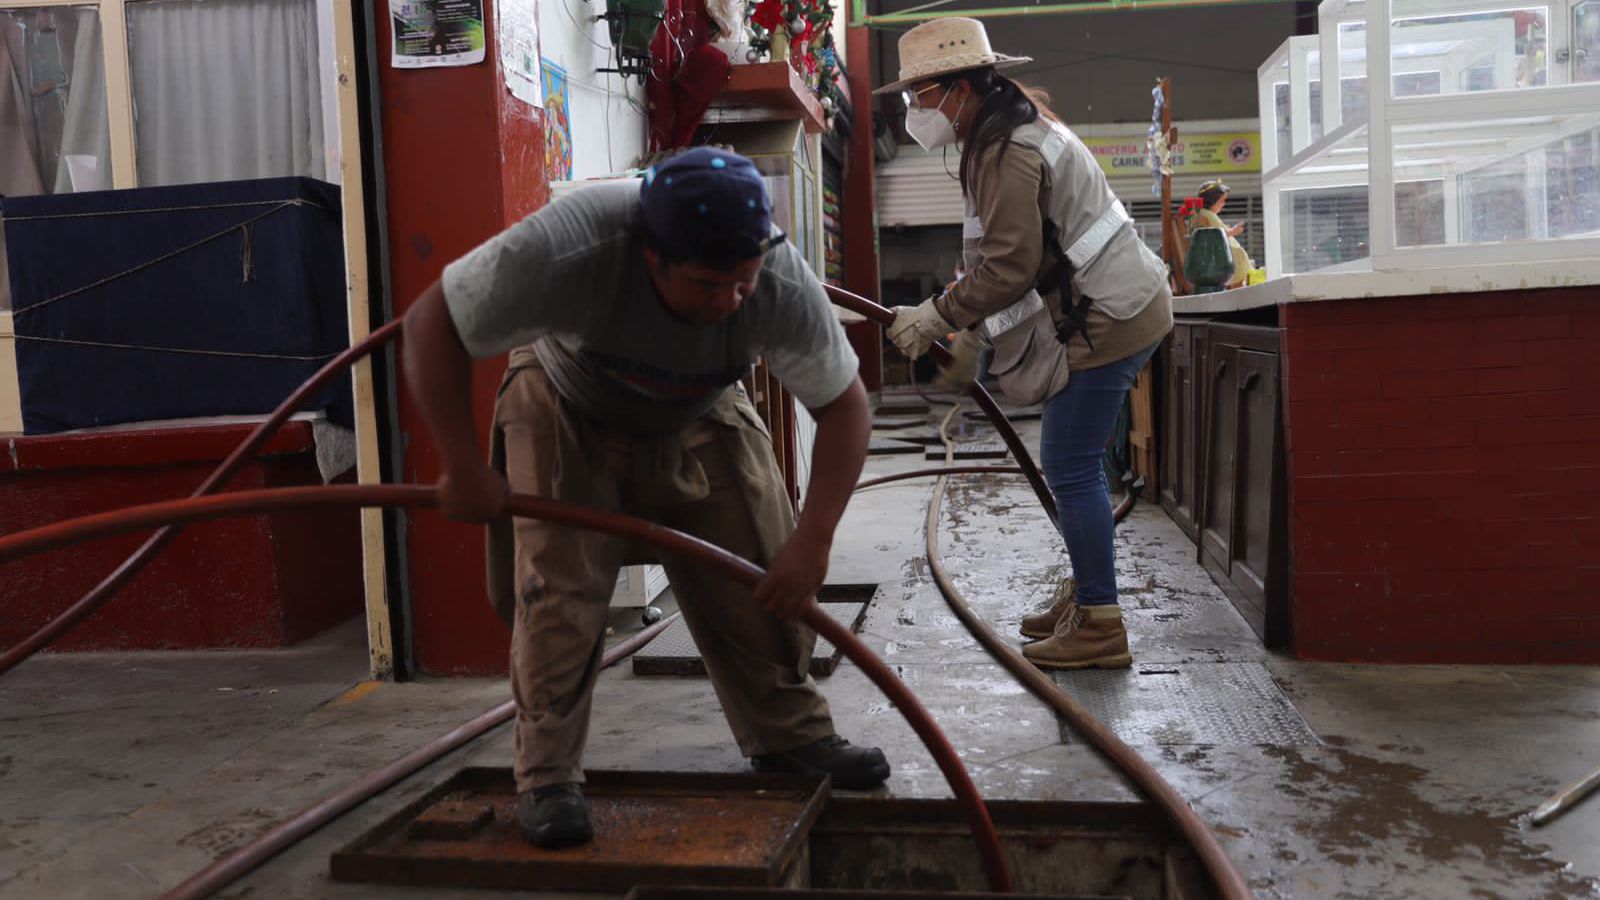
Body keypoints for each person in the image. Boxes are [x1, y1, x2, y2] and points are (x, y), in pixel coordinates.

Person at [401, 147, 890, 850]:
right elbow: (432, 324)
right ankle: (547, 776)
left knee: (761, 569)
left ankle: (790, 737)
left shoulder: (778, 275)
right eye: (707, 284)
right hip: (567, 394)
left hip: (700, 401)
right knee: (559, 597)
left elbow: (845, 407)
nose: (729, 301)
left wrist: (813, 541)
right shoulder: (575, 242)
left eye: (742, 283)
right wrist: (462, 465)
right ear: (651, 257)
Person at [876, 18, 1173, 671]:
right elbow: (1011, 258)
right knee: (1075, 465)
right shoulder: (1007, 129)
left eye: (920, 95)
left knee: (1068, 463)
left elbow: (1009, 267)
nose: (914, 109)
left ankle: (1100, 623)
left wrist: (937, 316)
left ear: (958, 89)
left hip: (1110, 316)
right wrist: (966, 327)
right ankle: (1087, 592)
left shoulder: (1006, 148)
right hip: (1117, 305)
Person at [1191, 179, 1252, 288]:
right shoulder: (1207, 215)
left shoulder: (1202, 213)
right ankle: (1238, 286)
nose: (1223, 204)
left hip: (1220, 255)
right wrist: (1233, 231)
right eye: (1221, 201)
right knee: (1239, 258)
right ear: (1211, 201)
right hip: (1223, 257)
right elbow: (1217, 234)